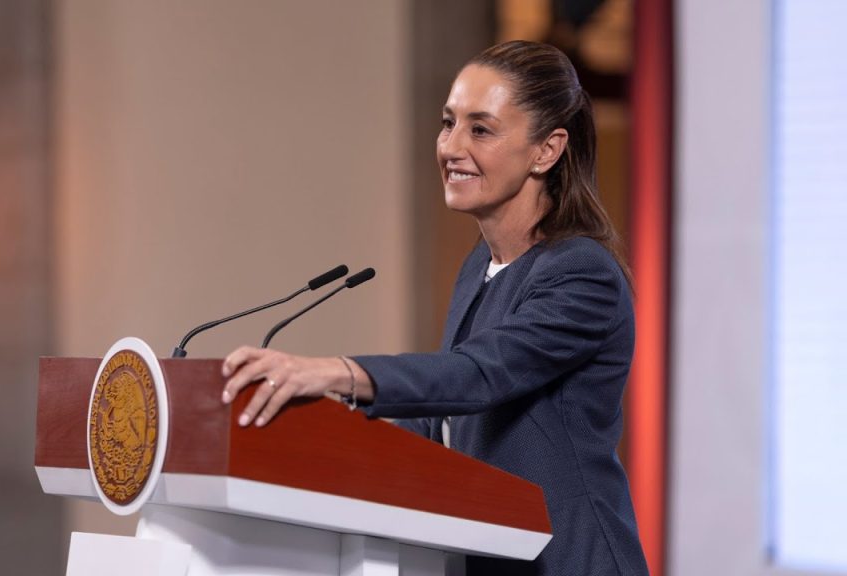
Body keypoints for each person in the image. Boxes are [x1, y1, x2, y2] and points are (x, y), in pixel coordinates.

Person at [220, 40, 649, 576]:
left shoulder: (582, 273)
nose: (451, 146)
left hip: (567, 561)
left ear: (547, 150)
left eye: (481, 129)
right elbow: (442, 422)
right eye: (448, 123)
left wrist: (337, 371)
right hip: (489, 556)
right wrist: (312, 419)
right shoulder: (479, 266)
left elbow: (478, 376)